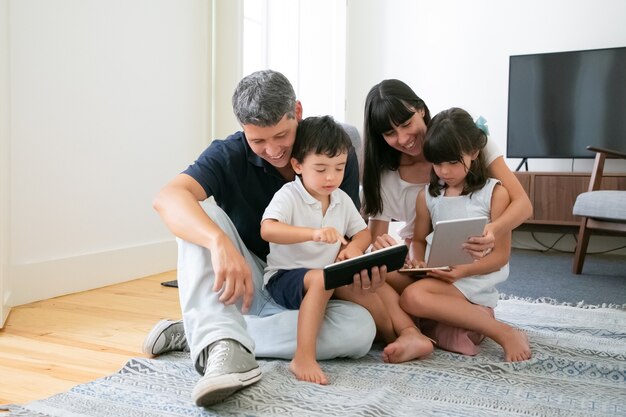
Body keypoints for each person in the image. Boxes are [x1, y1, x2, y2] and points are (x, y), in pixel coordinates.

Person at [148, 70, 383, 407]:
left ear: (297, 112)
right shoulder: (228, 154)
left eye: (281, 136)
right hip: (249, 275)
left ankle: (205, 333)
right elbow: (167, 198)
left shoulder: (331, 152)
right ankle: (222, 343)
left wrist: (357, 260)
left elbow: (347, 232)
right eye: (257, 141)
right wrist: (218, 243)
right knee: (204, 216)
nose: (272, 150)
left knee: (360, 331)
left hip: (305, 285)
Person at [261, 116, 434, 385]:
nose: (331, 177)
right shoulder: (289, 195)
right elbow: (268, 229)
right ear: (297, 165)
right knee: (320, 279)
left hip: (329, 275)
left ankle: (404, 335)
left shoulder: (340, 199)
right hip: (286, 277)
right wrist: (313, 234)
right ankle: (303, 356)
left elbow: (362, 232)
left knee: (370, 284)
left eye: (339, 168)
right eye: (320, 169)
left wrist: (353, 249)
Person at [400, 107, 531, 362]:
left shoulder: (495, 193)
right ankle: (461, 324)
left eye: (452, 162)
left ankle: (503, 332)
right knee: (385, 280)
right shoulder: (428, 196)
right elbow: (417, 240)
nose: (445, 171)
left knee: (412, 297)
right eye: (438, 163)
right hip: (438, 274)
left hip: (472, 279)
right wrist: (417, 260)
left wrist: (462, 272)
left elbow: (501, 257)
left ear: (474, 152)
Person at [361, 79, 532, 256]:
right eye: (390, 133)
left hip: (465, 254)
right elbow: (376, 240)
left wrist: (492, 229)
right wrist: (386, 249)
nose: (403, 139)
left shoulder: (463, 140)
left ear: (420, 109)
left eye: (406, 124)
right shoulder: (386, 174)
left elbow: (523, 205)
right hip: (416, 255)